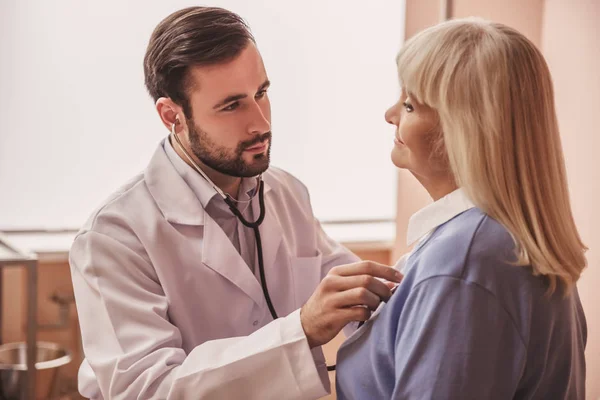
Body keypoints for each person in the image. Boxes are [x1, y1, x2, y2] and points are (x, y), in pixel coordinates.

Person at [69, 6, 401, 400]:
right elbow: (148, 390)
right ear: (171, 115)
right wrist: (302, 329)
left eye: (261, 93)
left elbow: (355, 295)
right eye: (232, 105)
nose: (260, 122)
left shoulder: (287, 194)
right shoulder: (114, 238)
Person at [335, 18, 588, 400]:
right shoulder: (501, 240)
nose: (390, 114)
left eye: (409, 105)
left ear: (464, 130)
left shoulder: (464, 262)